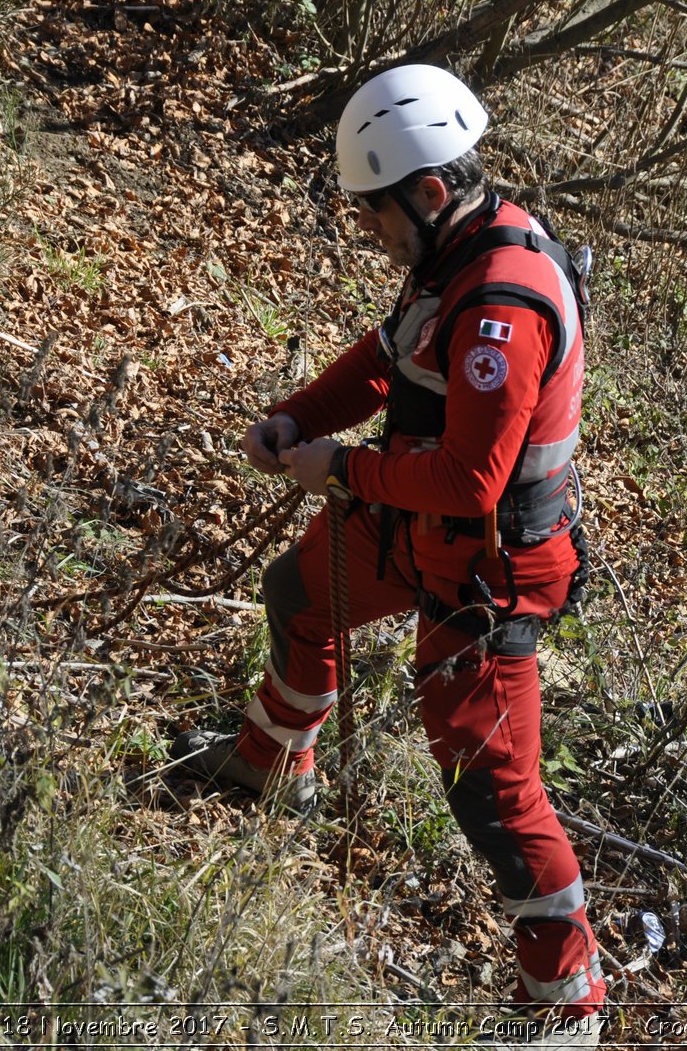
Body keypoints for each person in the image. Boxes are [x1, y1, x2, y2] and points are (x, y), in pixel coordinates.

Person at [174, 64, 605, 1048]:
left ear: (427, 191)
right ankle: (274, 765)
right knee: (298, 593)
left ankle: (567, 1006)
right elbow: (385, 359)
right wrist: (295, 416)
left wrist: (340, 469)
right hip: (416, 526)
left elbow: (471, 481)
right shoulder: (453, 253)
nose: (366, 229)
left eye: (372, 212)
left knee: (494, 794)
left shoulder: (504, 304)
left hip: (487, 572)